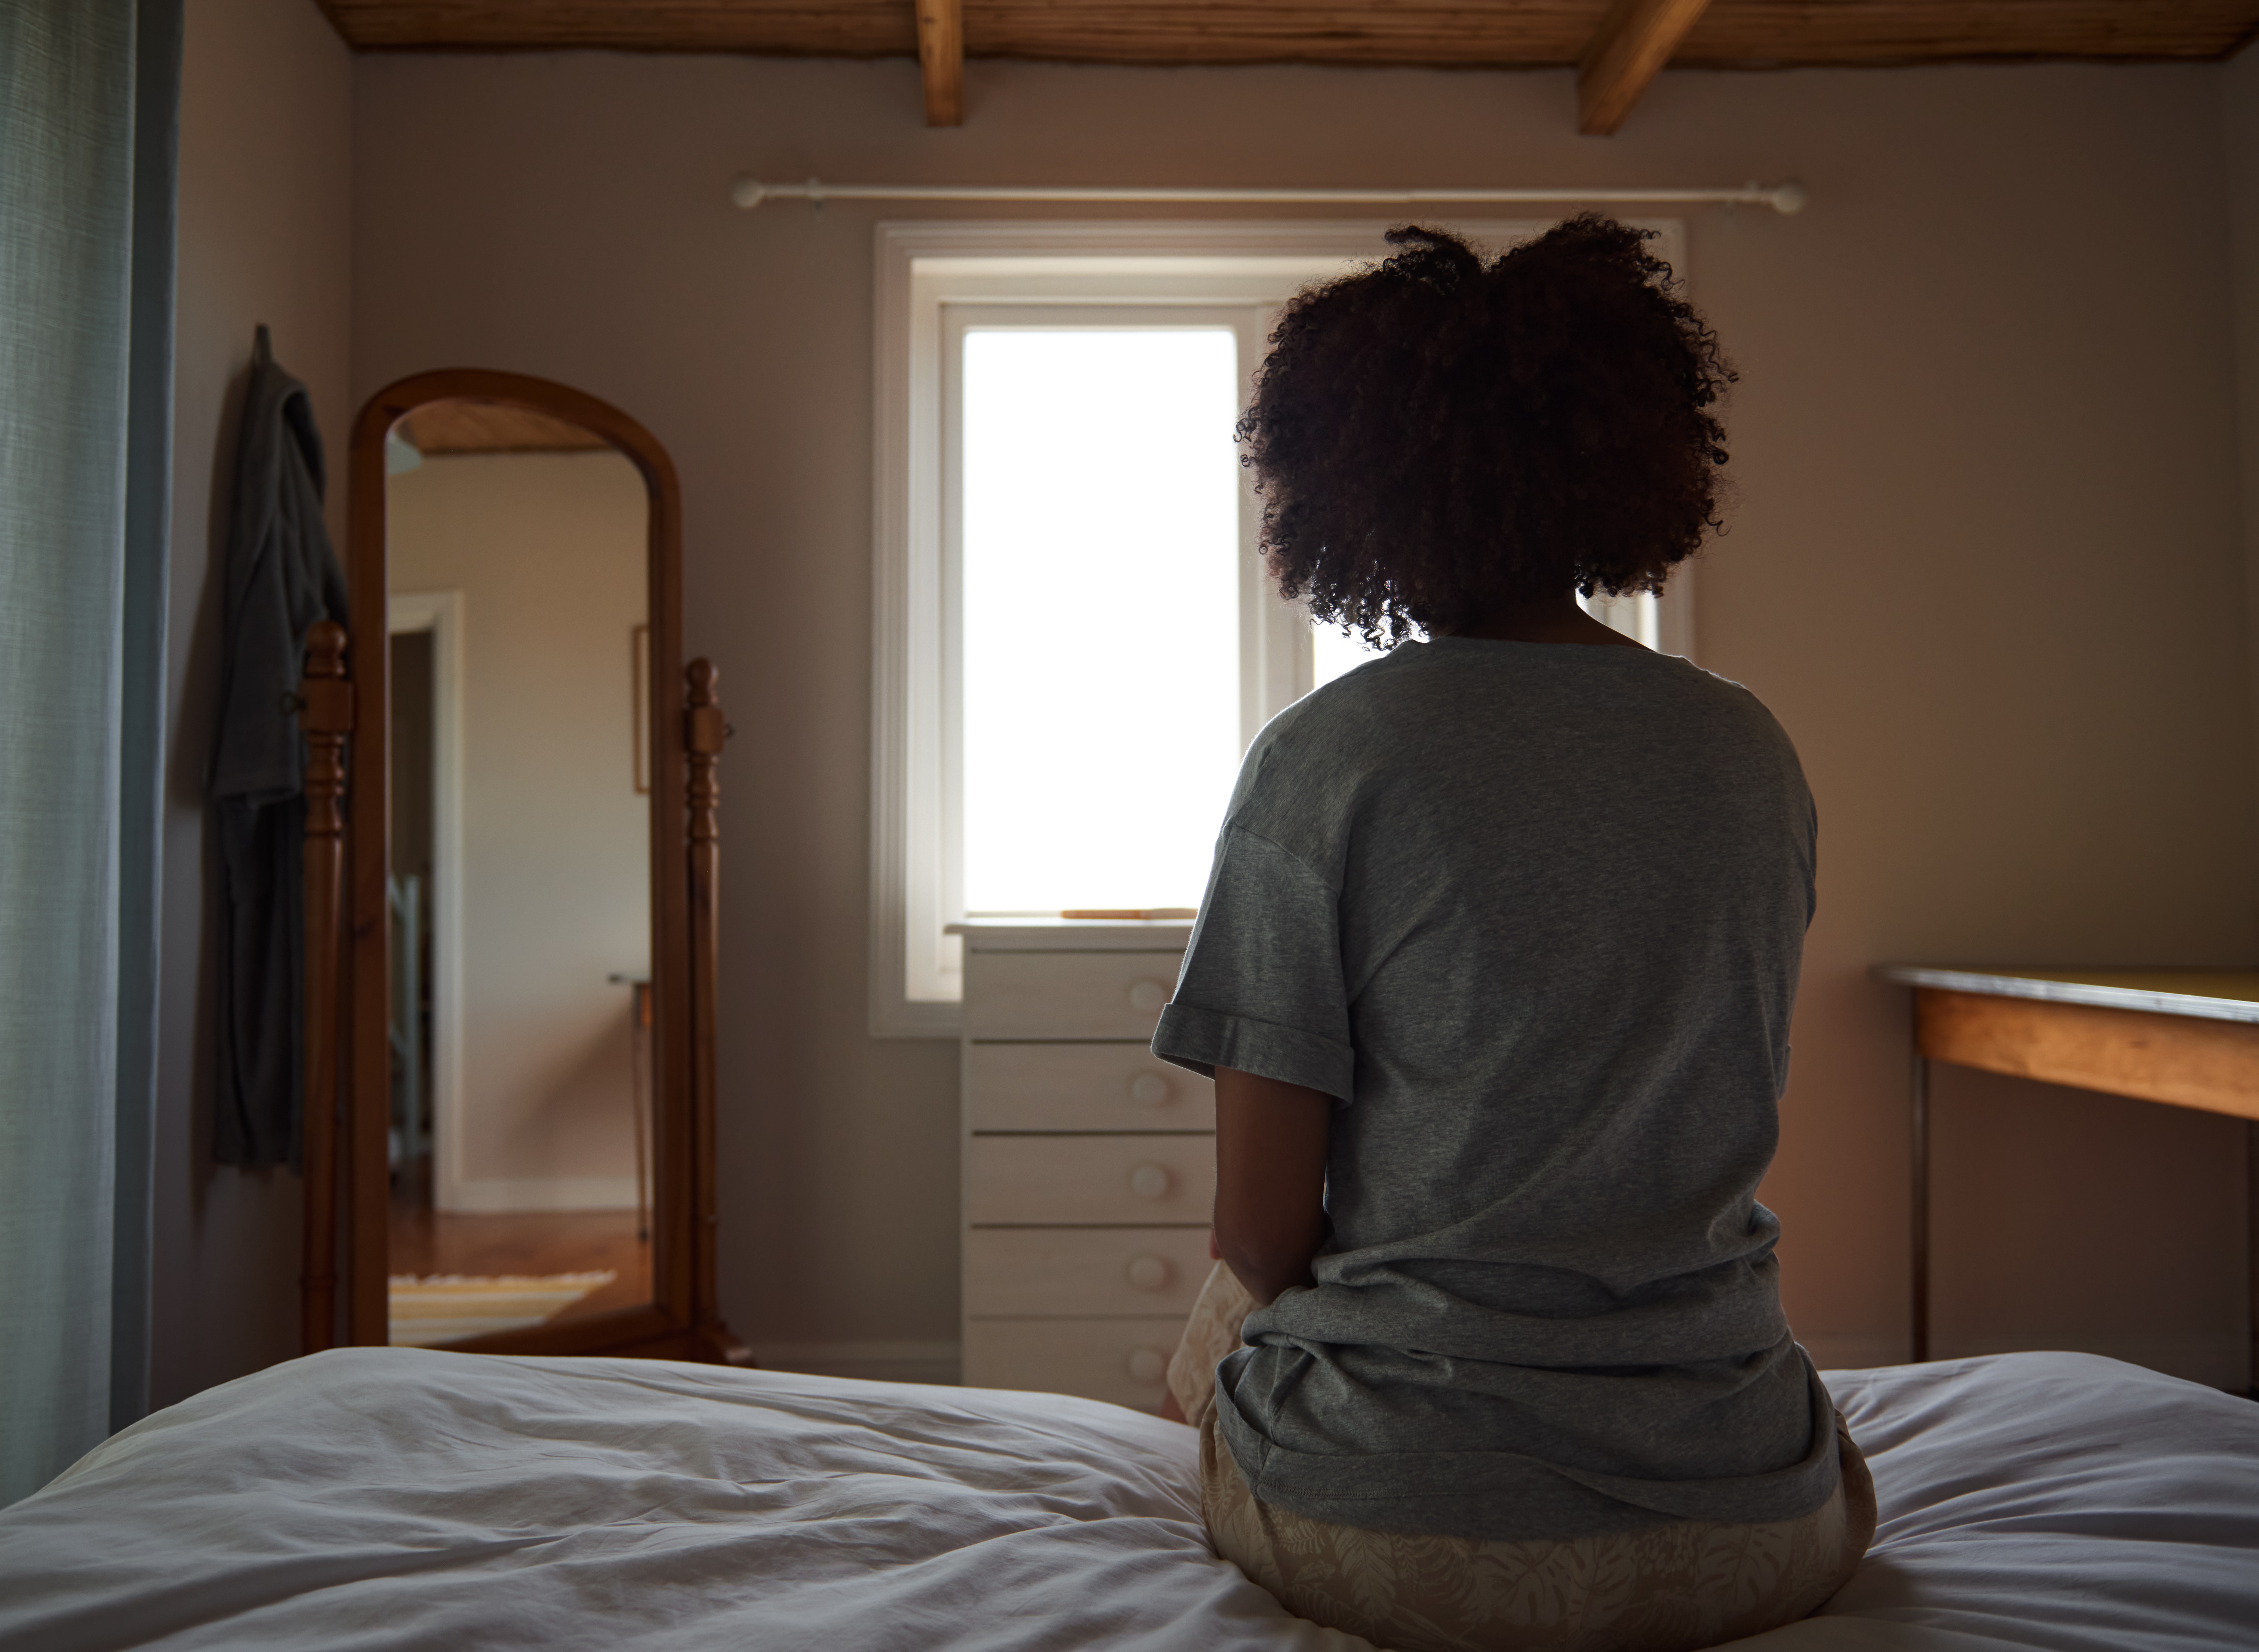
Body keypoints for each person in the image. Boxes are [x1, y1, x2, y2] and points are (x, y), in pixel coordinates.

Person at [1149, 217, 1875, 1652]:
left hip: (1402, 1532)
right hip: (1751, 1529)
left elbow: (1257, 1232)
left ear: (1342, 492)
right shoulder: (1745, 751)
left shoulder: (1327, 759)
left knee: (1201, 1355)